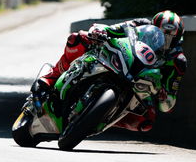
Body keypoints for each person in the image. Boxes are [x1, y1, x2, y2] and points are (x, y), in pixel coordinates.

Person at [32, 10, 187, 132]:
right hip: (122, 59)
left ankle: (100, 117)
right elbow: (115, 29)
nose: (164, 41)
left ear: (178, 39)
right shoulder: (141, 25)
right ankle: (50, 77)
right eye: (159, 34)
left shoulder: (178, 61)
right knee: (78, 38)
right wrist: (100, 32)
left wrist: (163, 96)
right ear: (152, 28)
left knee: (147, 121)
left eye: (170, 38)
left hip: (142, 84)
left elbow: (169, 103)